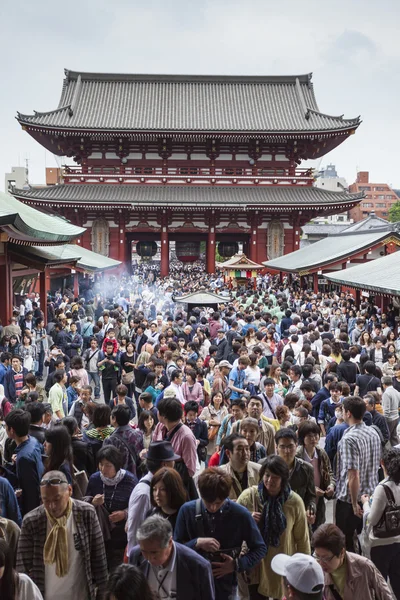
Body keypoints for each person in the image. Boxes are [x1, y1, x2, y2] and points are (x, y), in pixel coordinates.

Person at [174, 467, 267, 600]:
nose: (213, 507)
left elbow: (260, 548)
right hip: (193, 582)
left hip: (227, 586)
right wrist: (196, 543)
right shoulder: (187, 510)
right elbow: (174, 548)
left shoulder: (240, 514)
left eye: (218, 503)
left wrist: (236, 565)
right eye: (208, 502)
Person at [16, 470, 108, 600]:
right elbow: (22, 569)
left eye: (57, 499)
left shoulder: (86, 514)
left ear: (69, 490)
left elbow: (99, 561)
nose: (52, 506)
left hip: (80, 595)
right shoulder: (32, 521)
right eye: (45, 500)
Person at [237, 455, 310, 599]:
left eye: (275, 477)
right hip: (256, 566)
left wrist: (304, 569)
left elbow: (302, 539)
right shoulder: (248, 497)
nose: (270, 481)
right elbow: (232, 528)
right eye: (267, 475)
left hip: (283, 565)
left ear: (284, 479)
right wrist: (248, 521)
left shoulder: (294, 502)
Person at [130, 515, 215, 600]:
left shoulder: (198, 566)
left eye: (154, 552)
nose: (149, 558)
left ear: (170, 542)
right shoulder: (136, 555)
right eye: (144, 551)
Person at [335, 396, 381, 552]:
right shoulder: (373, 432)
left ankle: (352, 573)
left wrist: (354, 504)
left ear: (348, 413)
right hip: (370, 498)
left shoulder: (349, 439)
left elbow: (353, 475)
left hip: (350, 501)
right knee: (363, 539)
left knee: (346, 543)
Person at [85, 445, 137, 571]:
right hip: (100, 533)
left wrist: (125, 514)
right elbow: (84, 501)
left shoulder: (130, 481)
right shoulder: (95, 479)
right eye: (101, 464)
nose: (103, 469)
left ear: (117, 465)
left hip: (121, 535)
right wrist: (93, 502)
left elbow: (136, 506)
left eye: (108, 465)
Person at [312, 523, 394, 600]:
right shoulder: (317, 574)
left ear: (342, 553)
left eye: (326, 558)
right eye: (317, 556)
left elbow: (386, 596)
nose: (321, 563)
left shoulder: (364, 567)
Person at [126, 440, 180, 553]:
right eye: (172, 461)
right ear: (164, 465)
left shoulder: (152, 485)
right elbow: (135, 529)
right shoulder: (144, 493)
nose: (174, 463)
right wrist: (135, 558)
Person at [361, 447, 400, 598]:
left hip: (381, 545)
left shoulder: (383, 488)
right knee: (397, 582)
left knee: (379, 585)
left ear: (382, 463)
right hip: (398, 541)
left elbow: (373, 519)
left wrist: (365, 504)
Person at [153, 397, 198, 497]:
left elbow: (190, 470)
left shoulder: (186, 436)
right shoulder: (160, 426)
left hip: (176, 487)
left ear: (163, 416)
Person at [4, 409, 44, 516]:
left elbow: (30, 493)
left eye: (6, 426)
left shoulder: (23, 458)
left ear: (11, 430)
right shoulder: (33, 441)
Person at [296, 421, 335, 528]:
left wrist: (331, 485)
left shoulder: (321, 453)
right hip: (303, 502)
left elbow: (330, 472)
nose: (313, 438)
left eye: (315, 435)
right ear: (302, 438)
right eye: (309, 436)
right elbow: (294, 482)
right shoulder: (297, 456)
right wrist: (312, 490)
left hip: (319, 501)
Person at [275, 428, 316, 525]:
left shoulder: (306, 468)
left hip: (298, 518)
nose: (287, 451)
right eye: (282, 447)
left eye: (290, 446)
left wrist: (311, 510)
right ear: (276, 447)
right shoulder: (267, 467)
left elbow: (311, 497)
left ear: (296, 446)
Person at [219, 433, 261, 500]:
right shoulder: (220, 474)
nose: (245, 453)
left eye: (247, 449)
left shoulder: (259, 471)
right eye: (240, 449)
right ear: (228, 453)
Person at [104, 404, 143, 476]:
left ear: (114, 418)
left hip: (120, 477)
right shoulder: (139, 434)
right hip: (137, 476)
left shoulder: (110, 440)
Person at [146, 466, 187, 532]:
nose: (157, 494)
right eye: (154, 489)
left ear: (173, 490)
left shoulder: (185, 517)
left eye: (162, 489)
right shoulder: (151, 515)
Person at [199, 391, 229, 463]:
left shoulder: (224, 409)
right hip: (210, 438)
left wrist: (218, 423)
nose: (218, 398)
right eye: (216, 396)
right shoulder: (206, 409)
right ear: (212, 398)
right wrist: (208, 422)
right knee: (209, 462)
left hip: (220, 439)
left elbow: (228, 423)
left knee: (219, 461)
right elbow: (200, 422)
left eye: (220, 396)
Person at [98, 341, 120, 405]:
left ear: (113, 348)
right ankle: (107, 408)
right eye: (108, 348)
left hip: (114, 378)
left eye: (111, 348)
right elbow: (98, 364)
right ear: (105, 348)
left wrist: (113, 362)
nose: (109, 350)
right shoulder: (102, 355)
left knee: (115, 395)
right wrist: (104, 361)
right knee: (106, 395)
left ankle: (114, 408)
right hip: (105, 378)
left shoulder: (116, 355)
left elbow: (120, 365)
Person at [381, 375, 400, 446]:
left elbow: (386, 410)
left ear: (384, 384)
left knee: (385, 438)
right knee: (394, 437)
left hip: (389, 419)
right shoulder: (397, 392)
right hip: (396, 417)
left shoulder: (386, 394)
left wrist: (383, 420)